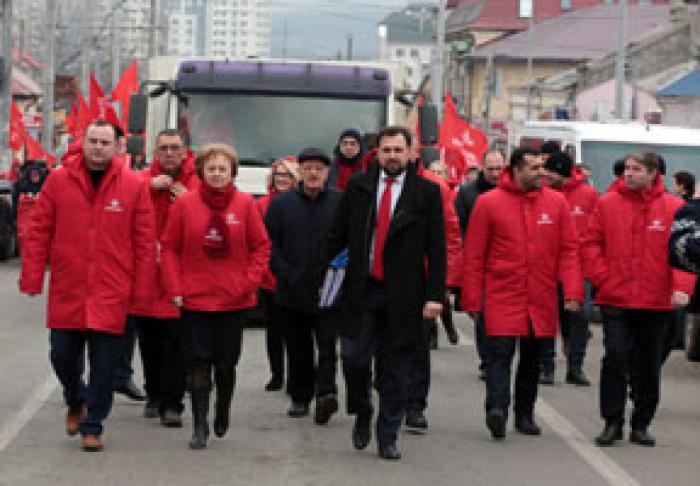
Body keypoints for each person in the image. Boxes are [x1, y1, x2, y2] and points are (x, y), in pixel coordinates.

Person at [19, 120, 156, 452]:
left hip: (112, 288)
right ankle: (75, 397)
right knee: (62, 354)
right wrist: (33, 276)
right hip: (70, 285)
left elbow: (144, 241)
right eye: (93, 141)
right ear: (83, 143)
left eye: (105, 142)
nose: (98, 147)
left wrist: (142, 291)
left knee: (105, 366)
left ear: (117, 147)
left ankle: (93, 424)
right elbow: (38, 231)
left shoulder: (133, 185)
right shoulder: (59, 181)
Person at [318, 126, 446, 460]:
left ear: (410, 153)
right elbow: (337, 235)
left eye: (398, 150)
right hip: (363, 290)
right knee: (353, 358)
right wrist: (320, 276)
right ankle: (362, 409)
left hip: (406, 295)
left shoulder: (426, 194)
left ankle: (387, 435)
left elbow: (437, 247)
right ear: (377, 153)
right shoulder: (359, 187)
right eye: (386, 150)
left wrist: (435, 296)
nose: (392, 156)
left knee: (396, 369)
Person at [461, 147, 582, 441]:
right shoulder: (489, 203)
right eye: (532, 167)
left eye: (541, 166)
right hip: (501, 293)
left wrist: (572, 290)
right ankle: (497, 410)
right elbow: (474, 255)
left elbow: (569, 250)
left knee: (532, 359)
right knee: (499, 354)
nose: (540, 172)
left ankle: (524, 414)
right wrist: (472, 298)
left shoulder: (556, 203)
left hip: (540, 295)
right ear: (514, 169)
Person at [160, 143, 270, 449]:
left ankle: (222, 408)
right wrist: (175, 288)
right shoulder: (184, 204)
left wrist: (248, 283)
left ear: (232, 172)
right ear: (202, 172)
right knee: (198, 362)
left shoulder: (246, 204)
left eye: (223, 169)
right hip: (194, 297)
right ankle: (199, 424)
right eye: (212, 169)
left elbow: (261, 246)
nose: (217, 174)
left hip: (233, 298)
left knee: (225, 363)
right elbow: (169, 247)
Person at [583, 151, 695, 448]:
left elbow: (685, 251)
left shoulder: (674, 207)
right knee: (616, 357)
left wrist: (682, 286)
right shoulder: (606, 204)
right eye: (627, 169)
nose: (628, 174)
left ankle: (641, 423)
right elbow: (591, 243)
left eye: (636, 169)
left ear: (652, 173)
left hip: (655, 300)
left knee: (648, 364)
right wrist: (602, 277)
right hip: (616, 297)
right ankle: (612, 421)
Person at [264, 148, 342, 423]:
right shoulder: (281, 204)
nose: (313, 173)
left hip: (330, 289)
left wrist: (339, 274)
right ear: (300, 172)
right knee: (298, 348)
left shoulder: (340, 202)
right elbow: (268, 244)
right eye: (307, 168)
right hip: (291, 289)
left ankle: (326, 394)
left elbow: (350, 243)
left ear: (327, 173)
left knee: (328, 345)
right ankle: (300, 397)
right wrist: (285, 273)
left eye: (318, 169)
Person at [130, 129, 199, 426]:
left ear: (184, 152)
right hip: (146, 273)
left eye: (174, 148)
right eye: (164, 148)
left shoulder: (197, 183)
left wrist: (190, 200)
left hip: (179, 274)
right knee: (149, 339)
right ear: (155, 152)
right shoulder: (140, 181)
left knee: (177, 339)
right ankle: (154, 393)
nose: (169, 153)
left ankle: (173, 402)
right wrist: (149, 187)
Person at [540, 152, 598, 386]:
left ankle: (575, 366)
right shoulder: (541, 193)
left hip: (579, 266)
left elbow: (596, 229)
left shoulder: (588, 195)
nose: (545, 176)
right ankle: (546, 366)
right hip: (547, 265)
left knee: (581, 316)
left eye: (550, 173)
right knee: (546, 317)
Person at [454, 149, 506, 380]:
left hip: (505, 263)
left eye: (499, 169)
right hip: (478, 262)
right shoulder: (467, 193)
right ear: (482, 168)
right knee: (482, 315)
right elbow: (459, 228)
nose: (495, 174)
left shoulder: (513, 191)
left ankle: (499, 358)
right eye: (491, 169)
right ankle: (487, 360)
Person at [257, 156, 300, 392]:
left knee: (294, 331)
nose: (282, 179)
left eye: (287, 175)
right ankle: (277, 374)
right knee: (274, 330)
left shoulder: (301, 202)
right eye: (279, 175)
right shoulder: (262, 204)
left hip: (294, 276)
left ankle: (296, 376)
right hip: (269, 277)